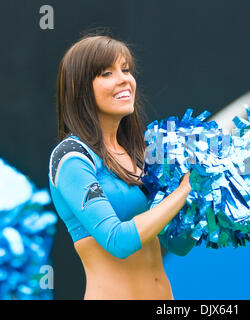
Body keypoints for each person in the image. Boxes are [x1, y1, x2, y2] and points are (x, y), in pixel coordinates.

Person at [48, 34, 196, 300]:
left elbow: (178, 244)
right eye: (106, 73)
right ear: (80, 88)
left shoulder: (140, 154)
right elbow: (117, 241)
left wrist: (203, 200)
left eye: (126, 70)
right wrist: (183, 191)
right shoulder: (71, 158)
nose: (123, 79)